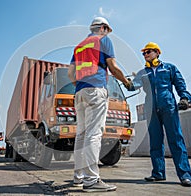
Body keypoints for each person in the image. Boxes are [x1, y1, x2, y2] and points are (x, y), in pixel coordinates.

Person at [68, 16, 131, 192]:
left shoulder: (79, 46)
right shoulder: (104, 40)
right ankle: (91, 180)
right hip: (96, 90)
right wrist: (126, 82)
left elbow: (71, 74)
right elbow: (113, 67)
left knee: (81, 135)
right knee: (93, 135)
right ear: (103, 28)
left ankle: (78, 177)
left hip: (80, 92)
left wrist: (82, 85)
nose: (108, 33)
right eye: (108, 30)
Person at [126, 42, 191, 187]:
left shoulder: (169, 68)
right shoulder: (142, 73)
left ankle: (185, 175)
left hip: (168, 107)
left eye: (148, 52)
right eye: (143, 53)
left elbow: (180, 85)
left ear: (157, 52)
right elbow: (133, 86)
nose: (145, 55)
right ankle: (158, 173)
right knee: (155, 142)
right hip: (150, 110)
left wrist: (184, 98)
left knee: (176, 140)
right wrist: (123, 79)